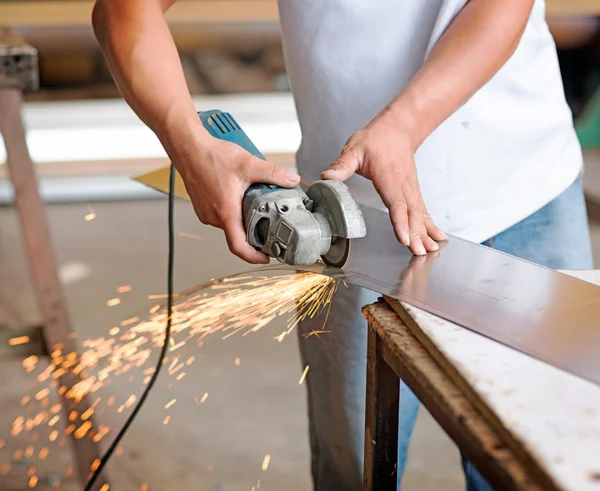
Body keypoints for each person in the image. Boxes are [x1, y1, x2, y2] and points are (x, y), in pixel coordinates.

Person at [92, 0, 593, 489]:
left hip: (528, 185)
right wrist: (188, 142)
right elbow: (123, 9)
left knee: (551, 462)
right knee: (353, 469)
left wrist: (403, 123)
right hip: (346, 228)